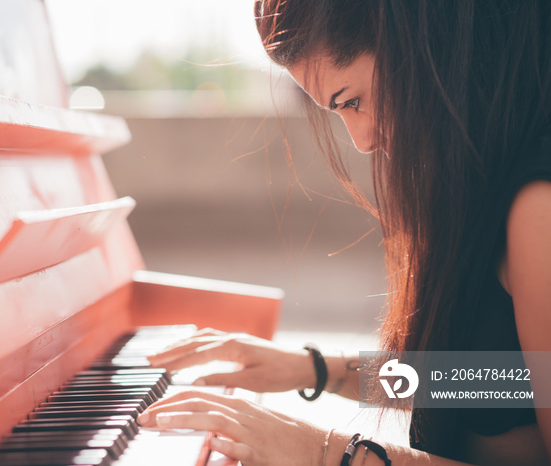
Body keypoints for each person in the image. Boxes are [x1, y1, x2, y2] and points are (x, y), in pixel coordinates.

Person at [137, 0, 551, 464]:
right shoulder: (495, 168)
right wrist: (315, 369)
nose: (362, 140)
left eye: (351, 101)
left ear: (424, 42)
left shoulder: (539, 206)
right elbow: (498, 384)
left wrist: (328, 453)